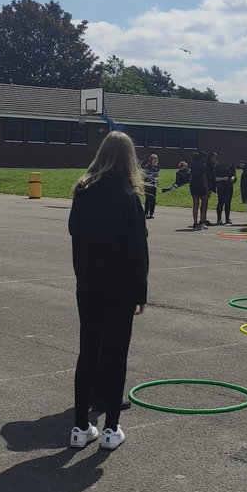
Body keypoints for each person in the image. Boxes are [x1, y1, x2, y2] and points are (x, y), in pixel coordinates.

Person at [67, 131, 148, 451]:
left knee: (88, 351)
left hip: (88, 283)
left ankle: (79, 426)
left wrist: (82, 274)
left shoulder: (82, 191)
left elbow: (75, 233)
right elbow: (137, 249)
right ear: (130, 159)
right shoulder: (128, 196)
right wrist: (141, 292)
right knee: (116, 355)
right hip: (119, 285)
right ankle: (112, 427)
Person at [188, 151, 210, 229]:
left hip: (193, 185)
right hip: (201, 185)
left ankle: (195, 222)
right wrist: (207, 189)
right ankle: (202, 221)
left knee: (195, 204)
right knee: (204, 203)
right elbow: (204, 178)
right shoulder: (203, 166)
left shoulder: (193, 165)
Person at [213, 157, 235, 225]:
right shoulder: (218, 167)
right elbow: (215, 178)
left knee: (228, 203)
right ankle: (219, 219)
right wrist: (223, 178)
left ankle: (227, 219)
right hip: (221, 186)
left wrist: (233, 178)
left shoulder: (231, 167)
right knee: (221, 202)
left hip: (229, 186)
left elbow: (234, 175)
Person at [141, 154, 160, 219]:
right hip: (148, 184)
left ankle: (151, 213)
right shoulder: (147, 166)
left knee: (153, 199)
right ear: (151, 159)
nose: (156, 160)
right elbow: (144, 175)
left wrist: (157, 184)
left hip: (153, 185)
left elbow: (157, 176)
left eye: (156, 159)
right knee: (148, 199)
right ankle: (146, 213)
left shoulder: (157, 167)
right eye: (155, 159)